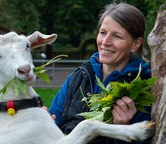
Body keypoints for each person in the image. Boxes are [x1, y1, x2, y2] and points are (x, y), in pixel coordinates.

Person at [49, 2, 151, 144]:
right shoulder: (79, 77)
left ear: (135, 44)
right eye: (103, 33)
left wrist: (122, 129)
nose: (105, 42)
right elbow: (54, 124)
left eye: (117, 36)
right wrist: (43, 122)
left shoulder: (145, 89)